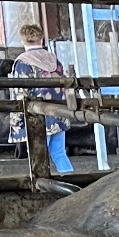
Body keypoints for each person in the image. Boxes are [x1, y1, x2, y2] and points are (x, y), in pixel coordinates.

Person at [8, 23, 72, 174]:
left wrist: (17, 121)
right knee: (59, 152)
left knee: (38, 155)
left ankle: (41, 187)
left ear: (23, 41)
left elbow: (21, 92)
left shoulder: (23, 62)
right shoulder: (54, 60)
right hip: (58, 112)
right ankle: (72, 183)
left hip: (37, 116)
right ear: (42, 39)